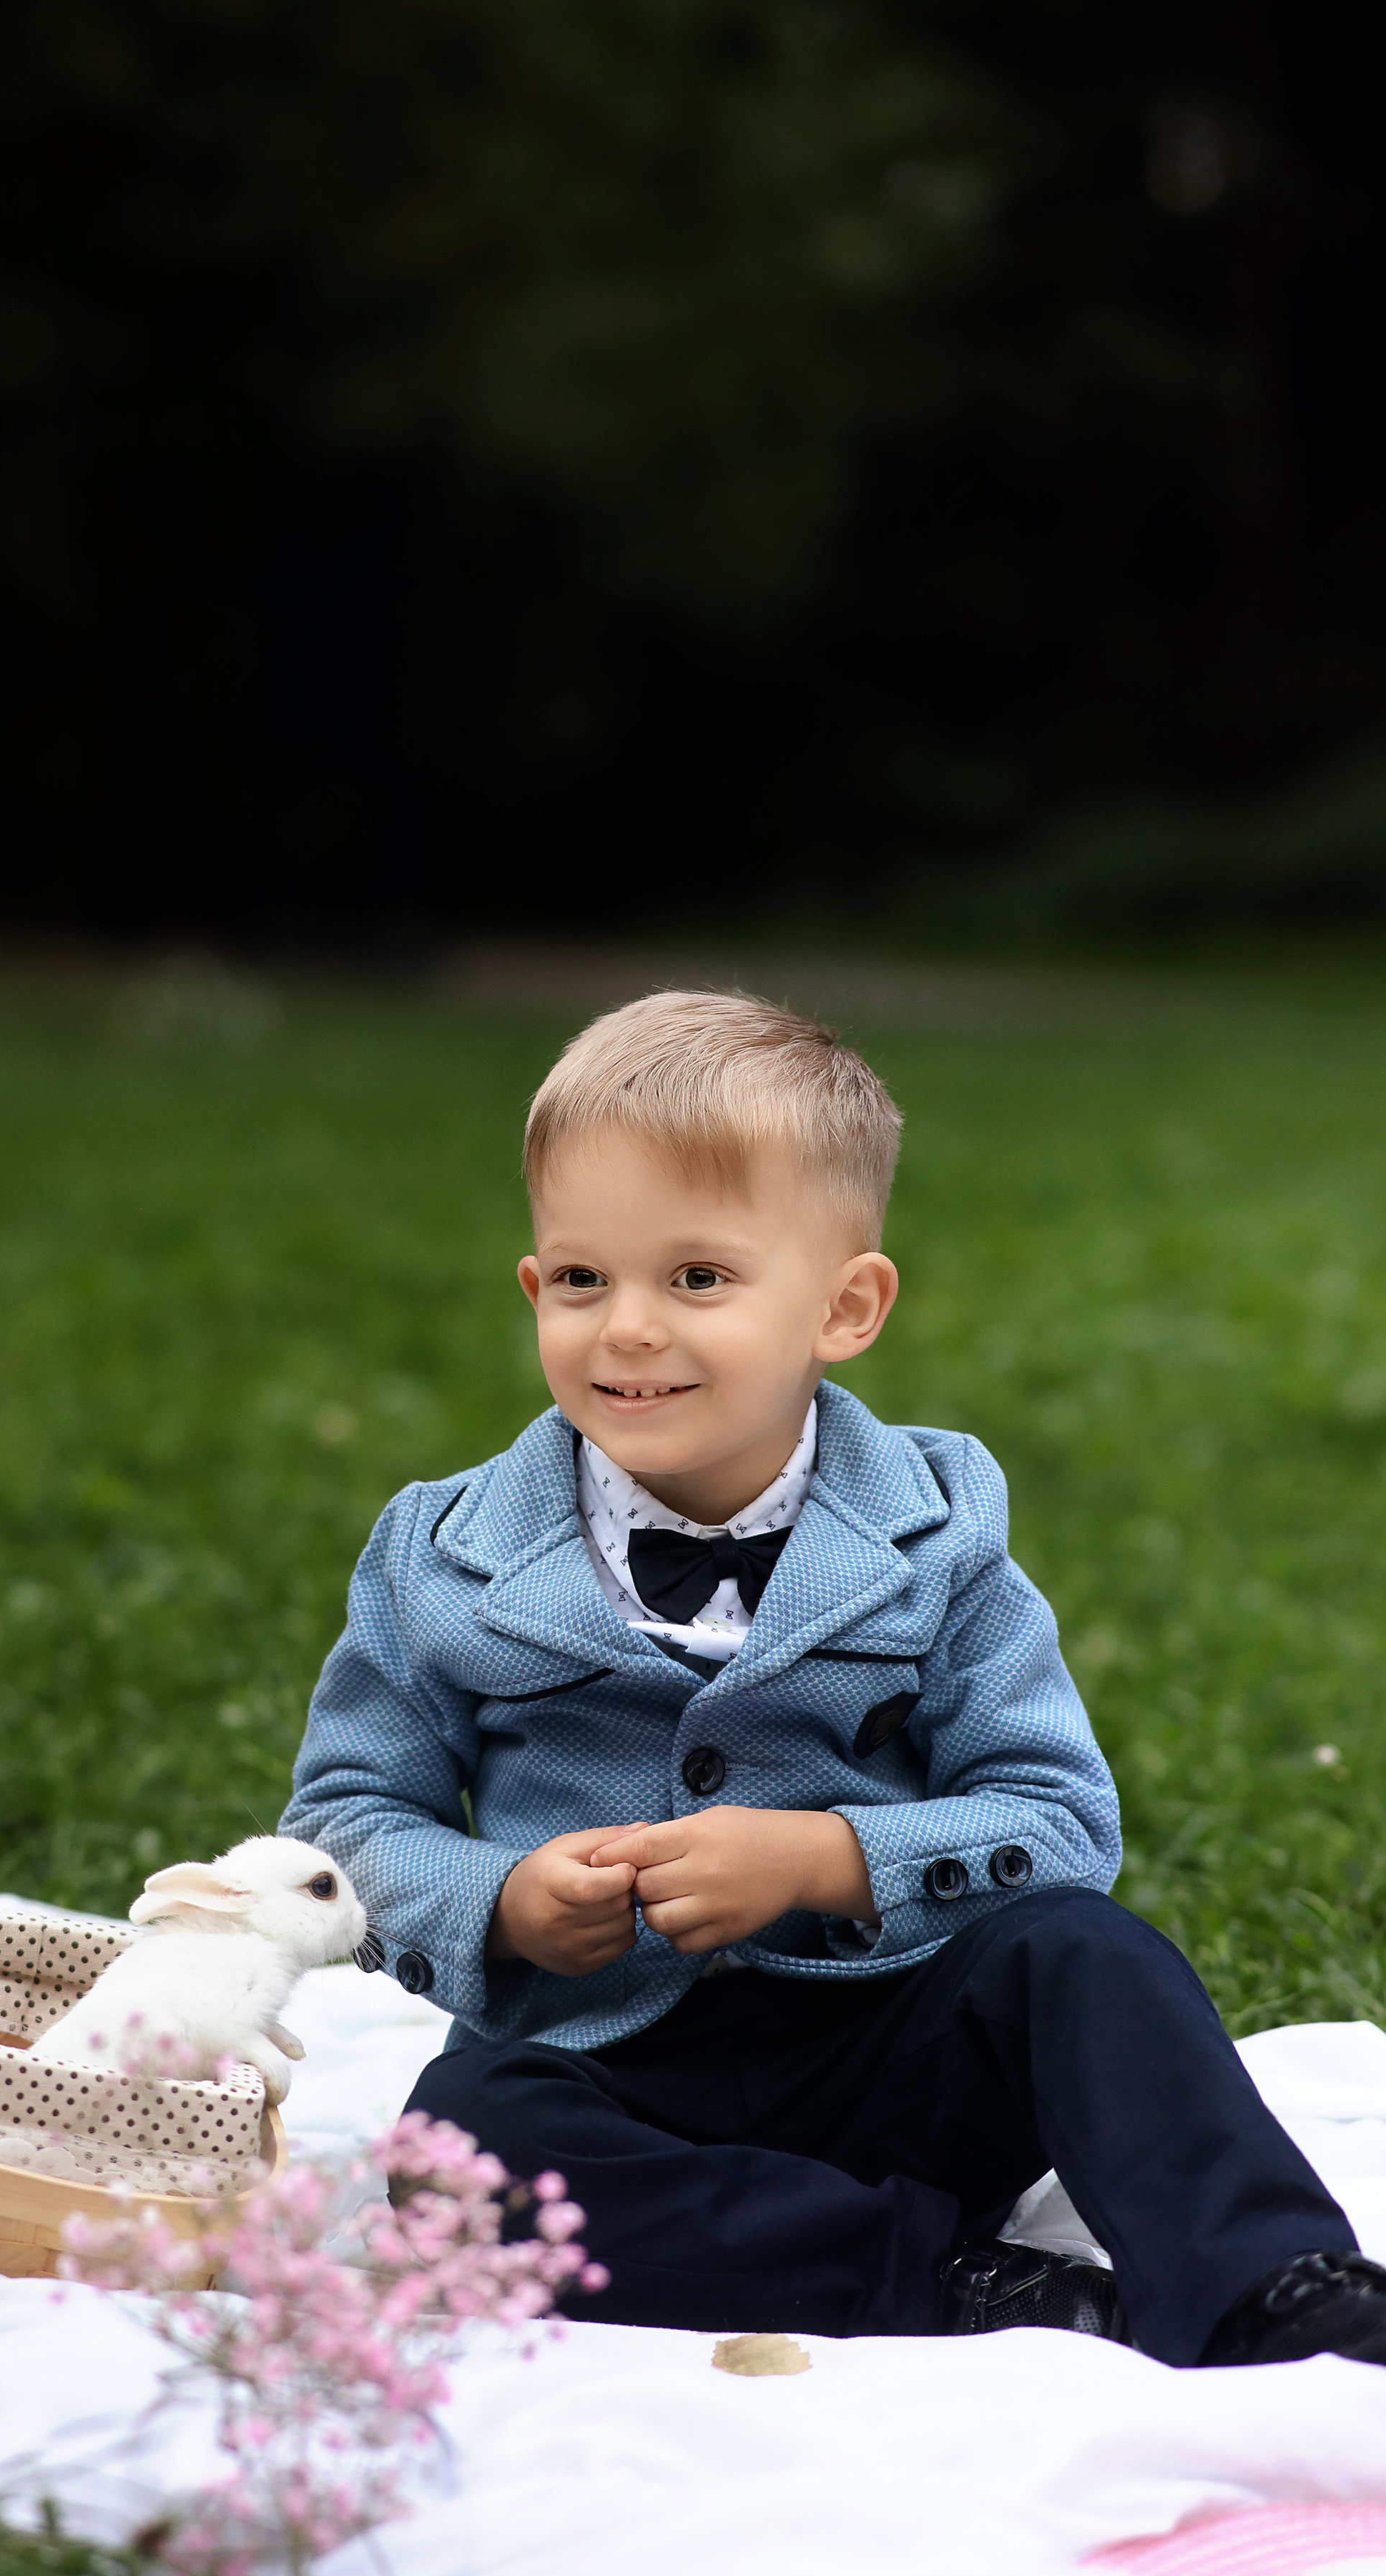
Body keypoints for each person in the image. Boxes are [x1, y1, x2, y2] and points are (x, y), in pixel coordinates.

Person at [281, 990, 1386, 2365]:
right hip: (598, 2063)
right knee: (459, 2169)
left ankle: (1260, 2278)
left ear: (844, 1308)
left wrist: (826, 1860)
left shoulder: (936, 1528)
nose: (626, 1327)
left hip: (892, 2044)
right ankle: (949, 2281)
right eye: (582, 1279)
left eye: (697, 1278)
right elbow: (338, 1827)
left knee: (1088, 1957)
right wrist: (497, 1901)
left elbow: (1058, 1819)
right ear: (534, 1286)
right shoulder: (440, 1552)